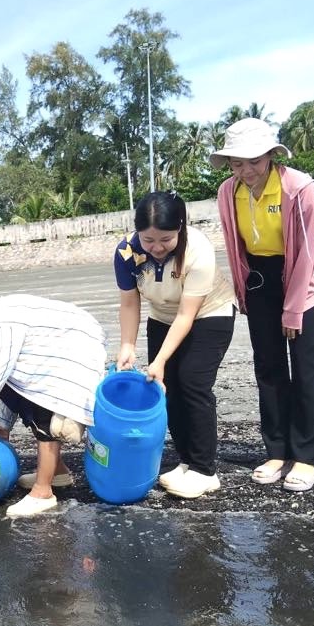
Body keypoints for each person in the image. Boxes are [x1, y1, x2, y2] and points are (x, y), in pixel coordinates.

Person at [211, 118, 314, 492]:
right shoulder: (227, 192)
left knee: (307, 369)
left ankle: (309, 457)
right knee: (268, 366)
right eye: (237, 163)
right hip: (260, 279)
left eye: (254, 161)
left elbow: (307, 252)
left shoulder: (298, 188)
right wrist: (244, 291)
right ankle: (278, 450)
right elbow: (236, 246)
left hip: (304, 281)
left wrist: (294, 307)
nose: (246, 171)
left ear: (270, 156)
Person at [0, 294, 106, 518]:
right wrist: (3, 423)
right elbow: (7, 382)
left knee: (44, 408)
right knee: (23, 393)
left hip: (73, 344)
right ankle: (57, 473)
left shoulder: (2, 328)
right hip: (49, 345)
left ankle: (43, 492)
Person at [114, 191, 236, 498]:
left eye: (165, 239)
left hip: (210, 313)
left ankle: (205, 470)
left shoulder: (198, 250)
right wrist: (127, 345)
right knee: (166, 389)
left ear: (180, 227)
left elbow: (186, 315)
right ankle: (186, 461)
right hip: (162, 316)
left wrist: (160, 360)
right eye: (148, 239)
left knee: (192, 382)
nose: (156, 248)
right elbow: (129, 304)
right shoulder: (127, 253)